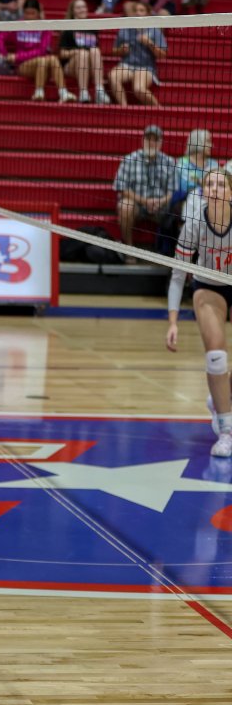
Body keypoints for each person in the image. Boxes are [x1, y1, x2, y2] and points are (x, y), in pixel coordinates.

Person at [166, 168, 232, 457]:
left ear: (230, 192)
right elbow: (178, 273)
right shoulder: (194, 223)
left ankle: (220, 397)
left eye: (221, 184)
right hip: (208, 288)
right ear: (204, 191)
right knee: (217, 356)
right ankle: (227, 431)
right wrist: (173, 321)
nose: (214, 188)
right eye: (209, 184)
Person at [0, 0, 75, 103]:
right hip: (23, 65)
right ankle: (39, 92)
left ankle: (63, 93)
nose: (29, 16)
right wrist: (4, 54)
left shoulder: (44, 28)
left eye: (33, 13)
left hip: (41, 64)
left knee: (52, 59)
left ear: (38, 13)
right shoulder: (18, 25)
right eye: (27, 13)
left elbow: (42, 51)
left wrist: (17, 56)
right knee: (44, 60)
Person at [114, 124, 176, 260]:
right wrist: (144, 201)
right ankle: (128, 249)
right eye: (148, 139)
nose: (151, 143)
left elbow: (171, 192)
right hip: (137, 205)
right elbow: (121, 187)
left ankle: (173, 254)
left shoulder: (169, 162)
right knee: (125, 206)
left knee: (180, 210)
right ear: (142, 140)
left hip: (160, 207)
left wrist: (160, 202)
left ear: (161, 142)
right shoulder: (130, 159)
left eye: (155, 140)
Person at [108, 0, 166, 107]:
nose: (138, 13)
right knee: (113, 76)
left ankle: (160, 110)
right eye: (136, 10)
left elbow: (162, 55)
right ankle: (124, 108)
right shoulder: (125, 29)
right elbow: (114, 51)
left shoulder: (155, 31)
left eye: (141, 10)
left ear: (148, 14)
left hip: (145, 67)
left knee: (139, 89)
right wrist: (121, 50)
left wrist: (150, 44)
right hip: (126, 65)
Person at [58, 0, 111, 104]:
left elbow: (96, 53)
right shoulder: (68, 28)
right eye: (78, 7)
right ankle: (83, 93)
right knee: (83, 54)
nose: (82, 9)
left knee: (95, 50)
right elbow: (62, 54)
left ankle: (100, 91)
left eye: (84, 7)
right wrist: (76, 52)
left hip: (89, 67)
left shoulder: (92, 27)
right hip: (72, 66)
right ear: (73, 11)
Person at [174, 129, 218, 218]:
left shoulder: (213, 163)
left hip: (211, 202)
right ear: (198, 142)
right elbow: (185, 186)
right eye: (208, 141)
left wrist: (199, 182)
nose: (211, 145)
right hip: (187, 202)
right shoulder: (183, 162)